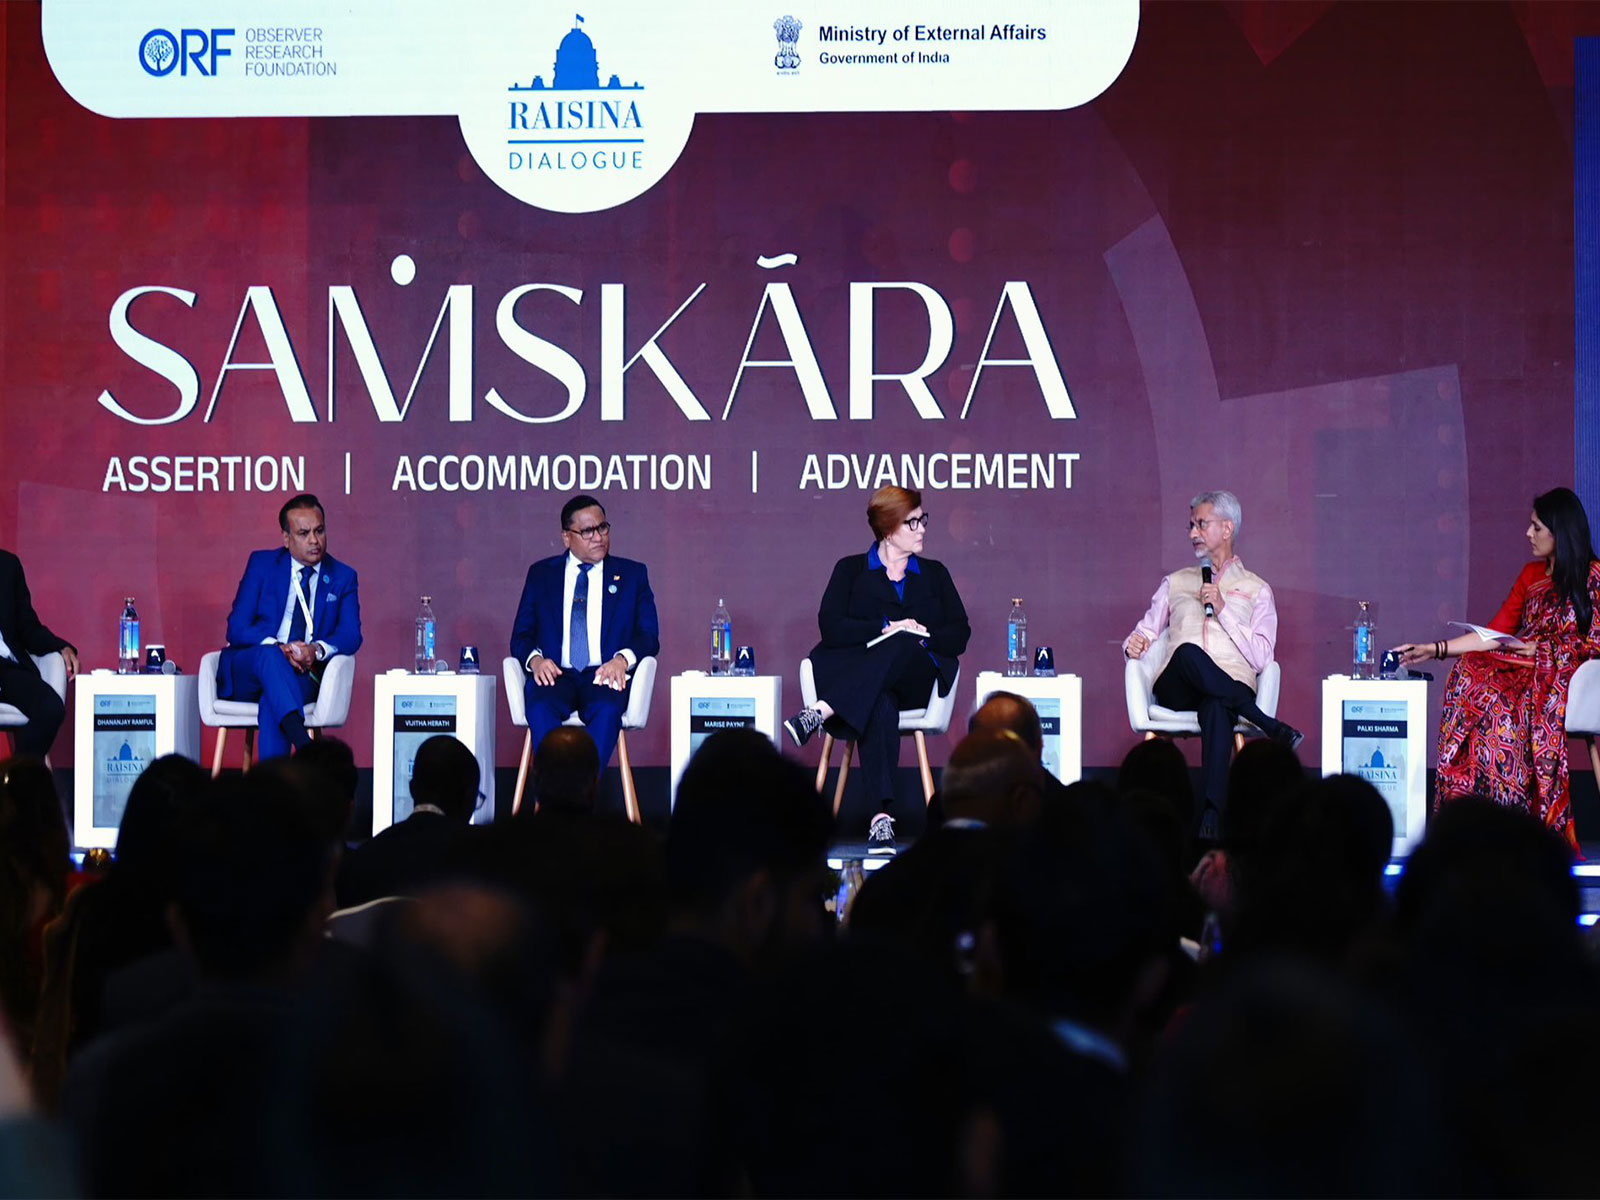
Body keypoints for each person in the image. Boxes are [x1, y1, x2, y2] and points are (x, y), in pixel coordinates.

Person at [1395, 487, 1600, 852]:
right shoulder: (1530, 575)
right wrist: (1433, 649)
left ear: (1559, 532)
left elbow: (1595, 642)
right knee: (1472, 673)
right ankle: (1476, 821)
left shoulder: (1594, 577)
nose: (1528, 533)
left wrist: (1546, 650)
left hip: (1565, 680)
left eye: (1537, 527)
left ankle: (1515, 828)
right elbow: (1493, 635)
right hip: (1523, 668)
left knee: (1505, 708)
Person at [783, 486, 970, 846]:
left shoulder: (935, 573)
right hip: (868, 685)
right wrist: (885, 628)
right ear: (888, 529)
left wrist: (919, 637)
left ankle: (821, 710)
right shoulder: (850, 569)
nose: (922, 528)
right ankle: (881, 818)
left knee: (903, 642)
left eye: (922, 520)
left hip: (917, 680)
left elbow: (960, 632)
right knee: (881, 702)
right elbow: (831, 627)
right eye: (912, 522)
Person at [1123, 490, 1302, 839]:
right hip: (1178, 685)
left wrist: (1223, 609)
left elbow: (1262, 657)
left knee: (1218, 707)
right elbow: (1144, 633)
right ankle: (1266, 722)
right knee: (1188, 653)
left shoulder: (1257, 589)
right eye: (1191, 526)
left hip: (1227, 688)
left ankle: (1210, 816)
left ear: (1227, 528)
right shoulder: (1175, 582)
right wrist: (1133, 645)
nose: (1193, 533)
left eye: (1201, 524)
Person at [509, 494, 659, 777]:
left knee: (607, 709)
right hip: (556, 675)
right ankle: (555, 790)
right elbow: (521, 636)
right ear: (567, 537)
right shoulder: (541, 575)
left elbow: (649, 635)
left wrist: (621, 660)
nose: (598, 537)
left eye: (602, 528)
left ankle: (582, 790)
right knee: (540, 705)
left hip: (604, 675)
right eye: (588, 531)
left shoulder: (632, 575)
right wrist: (536, 661)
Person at [215, 494, 362, 761]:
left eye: (319, 531)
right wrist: (279, 649)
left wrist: (315, 650)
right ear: (286, 538)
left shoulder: (343, 576)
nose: (314, 540)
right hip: (250, 670)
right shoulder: (262, 565)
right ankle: (306, 749)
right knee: (270, 656)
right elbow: (236, 628)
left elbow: (351, 635)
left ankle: (276, 782)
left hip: (302, 674)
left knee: (273, 701)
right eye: (304, 533)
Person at [0, 550, 77, 758]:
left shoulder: (7, 565)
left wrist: (60, 647)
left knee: (50, 708)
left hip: (6, 668)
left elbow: (27, 627)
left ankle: (17, 775)